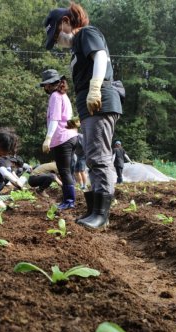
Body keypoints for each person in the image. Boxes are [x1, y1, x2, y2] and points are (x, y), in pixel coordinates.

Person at [44, 3, 123, 228]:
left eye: (57, 34)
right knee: (91, 158)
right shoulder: (76, 47)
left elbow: (100, 57)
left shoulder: (86, 33)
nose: (58, 41)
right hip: (89, 109)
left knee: (99, 158)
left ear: (67, 22)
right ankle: (94, 210)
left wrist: (95, 87)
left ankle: (101, 214)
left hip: (100, 102)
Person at [39, 69, 78, 210]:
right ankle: (69, 199)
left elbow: (55, 120)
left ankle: (69, 201)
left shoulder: (55, 96)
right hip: (71, 136)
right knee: (67, 170)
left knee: (64, 171)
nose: (45, 88)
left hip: (62, 138)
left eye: (45, 85)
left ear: (50, 84)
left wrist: (48, 139)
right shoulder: (64, 95)